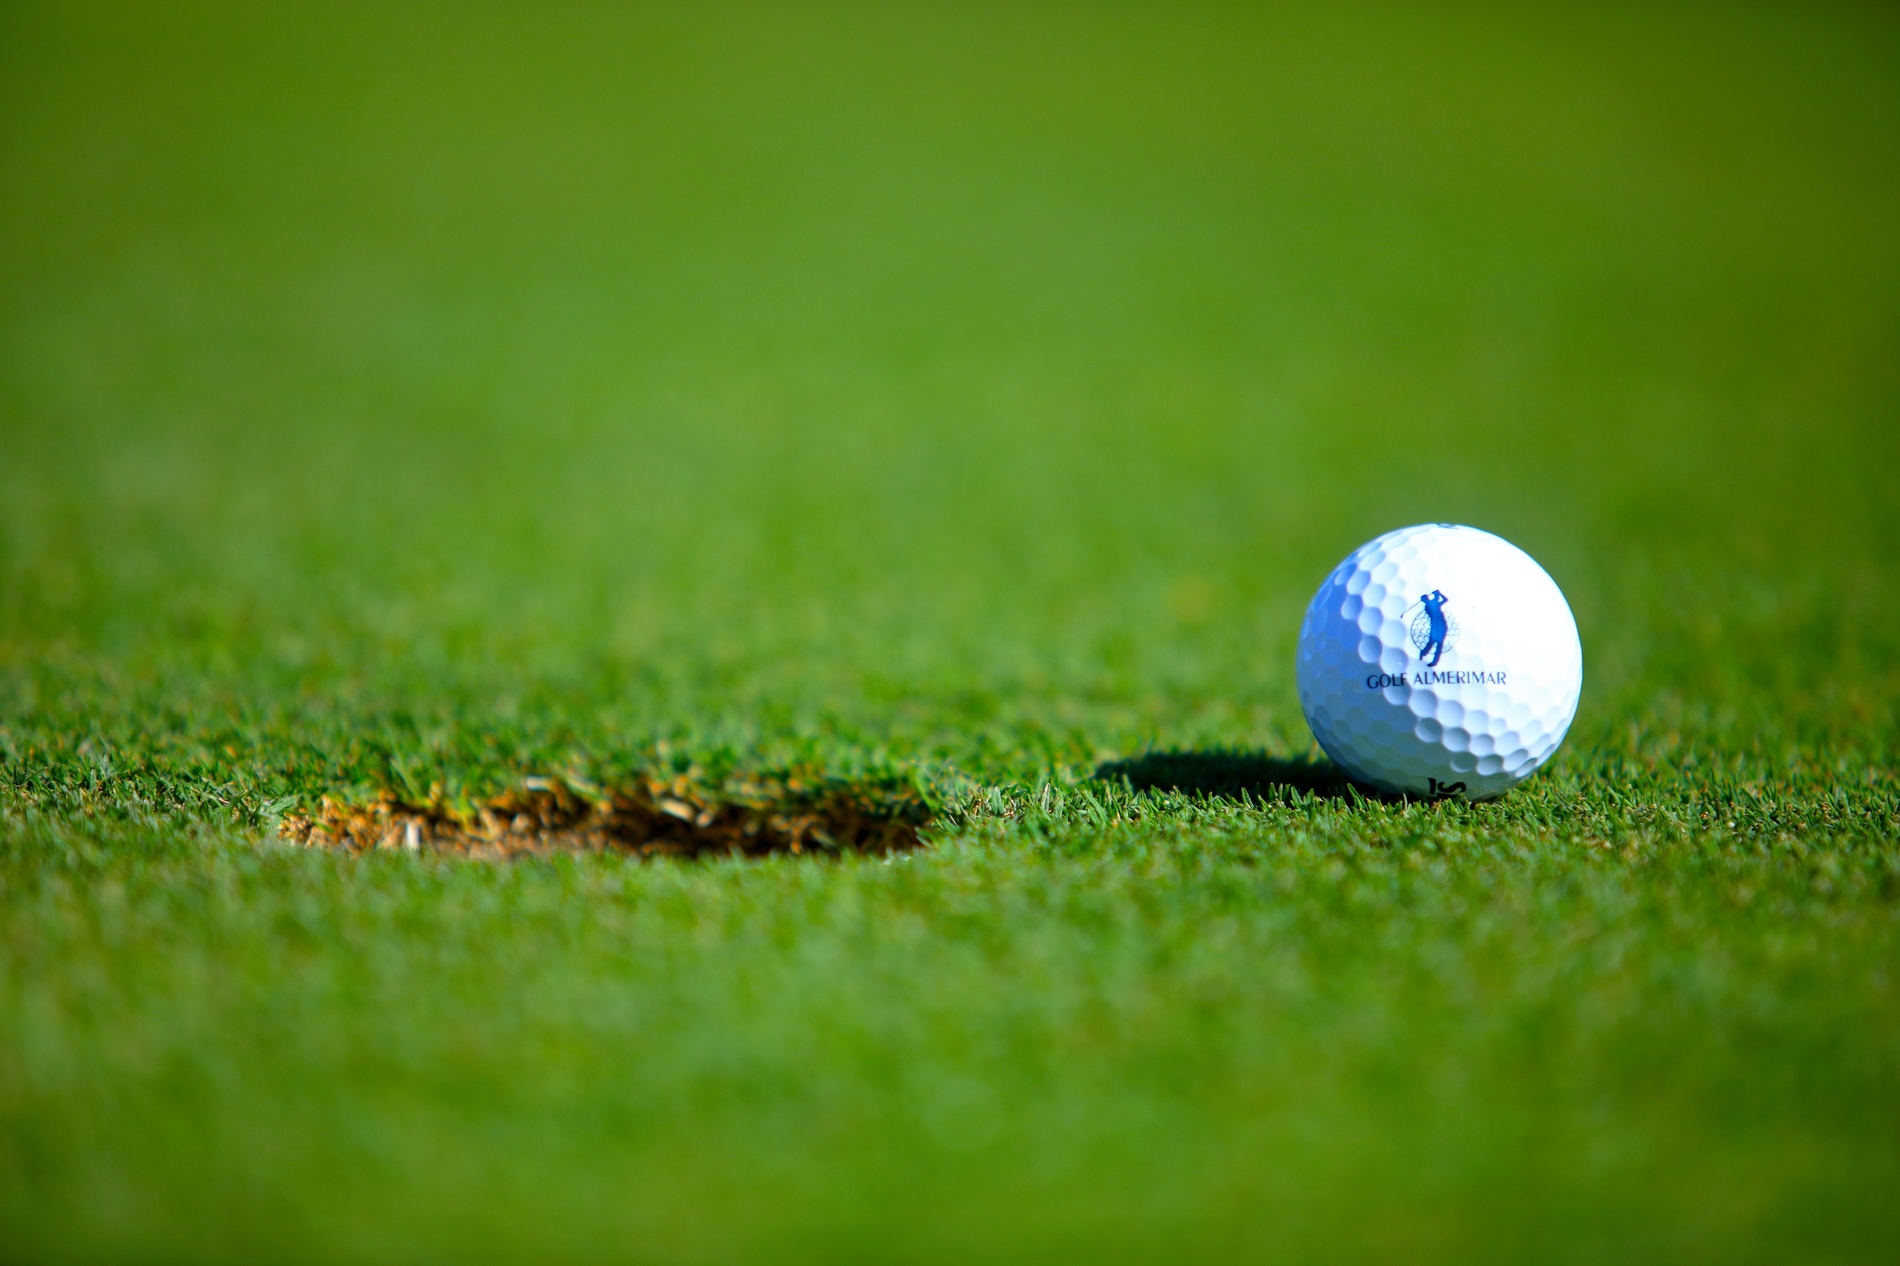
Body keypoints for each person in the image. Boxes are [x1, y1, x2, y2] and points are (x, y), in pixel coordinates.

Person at [1417, 590, 1450, 667]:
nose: (1425, 600)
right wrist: (1437, 594)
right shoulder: (1428, 606)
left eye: (1425, 598)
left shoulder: (1431, 603)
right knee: (1431, 642)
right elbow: (1435, 602)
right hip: (1436, 625)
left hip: (1441, 625)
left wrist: (1438, 594)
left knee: (1438, 644)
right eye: (1424, 599)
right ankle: (1423, 654)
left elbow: (1445, 600)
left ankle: (1432, 661)